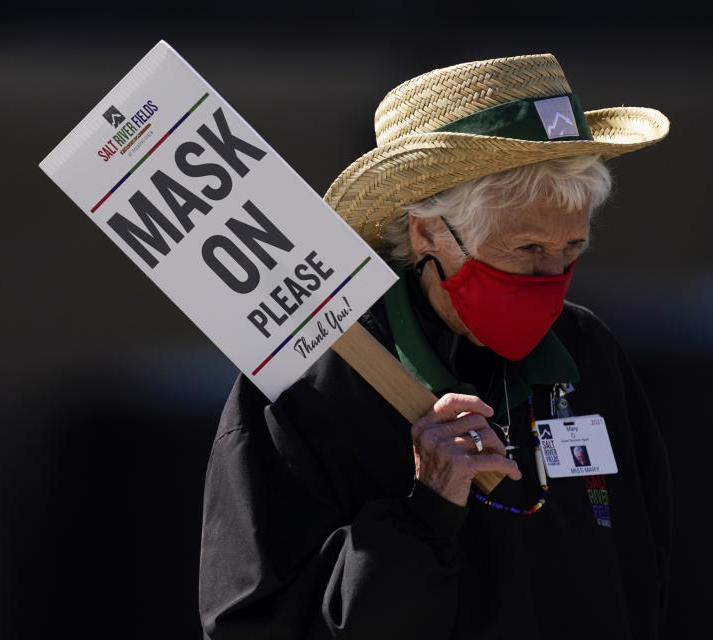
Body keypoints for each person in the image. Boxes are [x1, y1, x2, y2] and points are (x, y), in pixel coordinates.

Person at [199, 54, 672, 640]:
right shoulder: (307, 382)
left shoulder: (587, 352)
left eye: (570, 248)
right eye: (525, 250)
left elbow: (643, 574)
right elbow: (256, 622)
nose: (550, 274)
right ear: (426, 232)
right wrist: (426, 514)